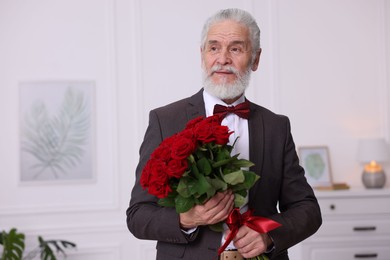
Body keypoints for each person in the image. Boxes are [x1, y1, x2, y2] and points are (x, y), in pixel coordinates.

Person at [126, 8, 322, 260]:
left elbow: (307, 209)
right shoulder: (165, 120)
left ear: (256, 59)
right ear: (202, 55)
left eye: (236, 49)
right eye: (214, 48)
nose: (223, 59)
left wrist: (269, 235)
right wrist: (188, 218)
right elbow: (138, 215)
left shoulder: (276, 126)